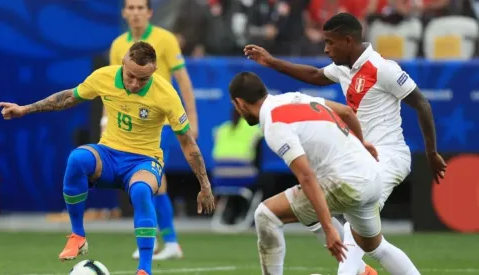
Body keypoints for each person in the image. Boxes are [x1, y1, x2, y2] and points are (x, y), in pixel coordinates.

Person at [244, 12, 447, 275]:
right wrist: (271, 62)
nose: (326, 49)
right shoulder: (343, 68)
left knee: (352, 218)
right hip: (361, 157)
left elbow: (421, 103)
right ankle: (365, 271)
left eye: (330, 43)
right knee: (374, 246)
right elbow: (315, 75)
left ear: (348, 41)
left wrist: (431, 152)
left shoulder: (382, 68)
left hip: (387, 157)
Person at [0, 42, 215, 275]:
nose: (134, 84)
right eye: (131, 76)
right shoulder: (104, 77)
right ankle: (78, 235)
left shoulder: (166, 94)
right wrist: (25, 109)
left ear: (154, 71)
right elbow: (68, 98)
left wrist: (205, 185)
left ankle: (144, 270)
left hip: (144, 161)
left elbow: (188, 142)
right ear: (122, 63)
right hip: (109, 154)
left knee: (141, 191)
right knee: (77, 159)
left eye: (143, 79)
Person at [228, 71, 421, 275]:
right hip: (371, 176)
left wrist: (329, 228)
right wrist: (362, 142)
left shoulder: (274, 124)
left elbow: (306, 176)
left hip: (345, 183)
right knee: (375, 247)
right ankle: (363, 271)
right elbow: (346, 112)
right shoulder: (294, 97)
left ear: (239, 103)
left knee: (266, 215)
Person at [108, 0, 199, 260]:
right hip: (128, 125)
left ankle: (163, 240)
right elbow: (112, 90)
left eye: (140, 8)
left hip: (161, 122)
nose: (135, 12)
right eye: (131, 8)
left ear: (149, 13)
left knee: (151, 180)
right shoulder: (117, 46)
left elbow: (183, 79)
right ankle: (165, 241)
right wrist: (107, 119)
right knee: (148, 183)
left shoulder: (165, 39)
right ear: (125, 12)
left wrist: (192, 118)